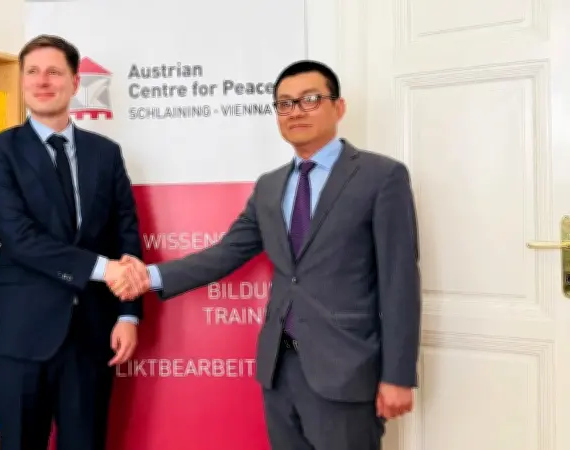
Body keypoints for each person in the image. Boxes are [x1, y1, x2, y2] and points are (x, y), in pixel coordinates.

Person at [109, 60, 422, 450]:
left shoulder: (381, 177)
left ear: (338, 107)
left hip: (345, 370)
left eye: (310, 99)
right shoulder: (270, 186)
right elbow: (226, 253)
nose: (296, 111)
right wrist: (148, 277)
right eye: (285, 104)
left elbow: (399, 283)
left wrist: (398, 375)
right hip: (279, 368)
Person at [0, 34, 144, 450]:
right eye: (32, 72)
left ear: (74, 82)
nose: (42, 81)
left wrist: (129, 314)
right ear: (22, 81)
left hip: (92, 334)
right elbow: (19, 238)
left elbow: (125, 232)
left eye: (54, 72)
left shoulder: (106, 153)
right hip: (21, 336)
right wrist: (106, 269)